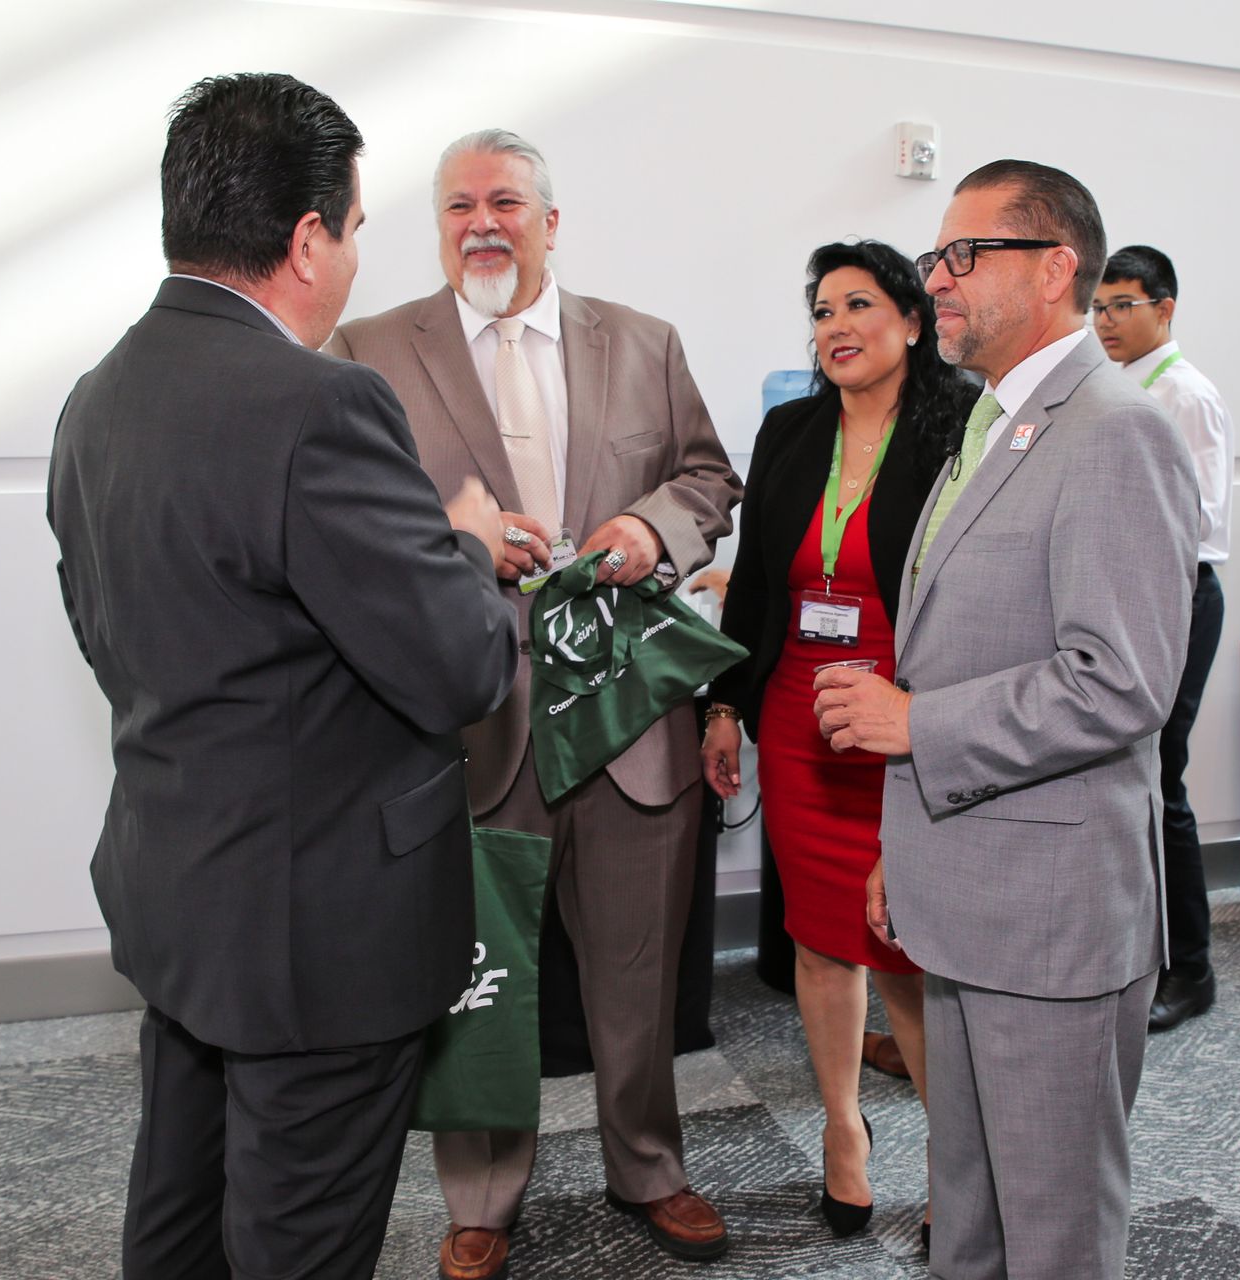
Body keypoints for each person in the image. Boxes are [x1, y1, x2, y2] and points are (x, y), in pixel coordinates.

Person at [46, 74, 519, 1279]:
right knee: (299, 1240)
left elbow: (112, 636)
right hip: (317, 931)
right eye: (357, 229)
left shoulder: (98, 397)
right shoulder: (319, 404)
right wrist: (461, 541)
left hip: (181, 891)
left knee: (181, 1216)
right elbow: (461, 664)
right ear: (308, 238)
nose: (358, 256)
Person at [326, 130, 741, 1276]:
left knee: (638, 967)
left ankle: (649, 1162)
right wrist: (455, 534)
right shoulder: (365, 348)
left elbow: (709, 476)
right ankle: (481, 1195)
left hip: (628, 721)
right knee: (482, 972)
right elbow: (339, 516)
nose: (482, 223)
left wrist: (651, 528)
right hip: (472, 718)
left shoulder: (645, 342)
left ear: (552, 222)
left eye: (505, 200)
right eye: (458, 204)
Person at [814, 160, 1200, 1280]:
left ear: (1056, 268)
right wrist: (908, 846)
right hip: (970, 888)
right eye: (939, 257)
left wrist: (913, 723)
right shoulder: (994, 419)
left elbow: (1121, 682)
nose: (938, 281)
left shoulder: (1115, 430)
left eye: (963, 256)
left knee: (1055, 1227)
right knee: (971, 1207)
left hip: (1054, 919)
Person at [702, 240, 972, 1240]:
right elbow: (760, 578)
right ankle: (843, 1129)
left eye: (859, 304)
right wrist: (723, 702)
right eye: (821, 311)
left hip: (903, 721)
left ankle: (958, 1162)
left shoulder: (958, 430)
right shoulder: (790, 428)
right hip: (798, 715)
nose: (837, 327)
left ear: (910, 319)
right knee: (821, 940)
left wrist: (920, 709)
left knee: (904, 946)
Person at [1091, 244, 1234, 1032]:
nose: (1107, 321)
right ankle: (1136, 954)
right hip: (1129, 596)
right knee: (1132, 781)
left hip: (1176, 597)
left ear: (1165, 309)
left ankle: (1193, 972)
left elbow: (1200, 521)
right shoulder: (1118, 386)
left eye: (1123, 306)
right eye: (1100, 307)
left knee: (1161, 783)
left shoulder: (1184, 393)